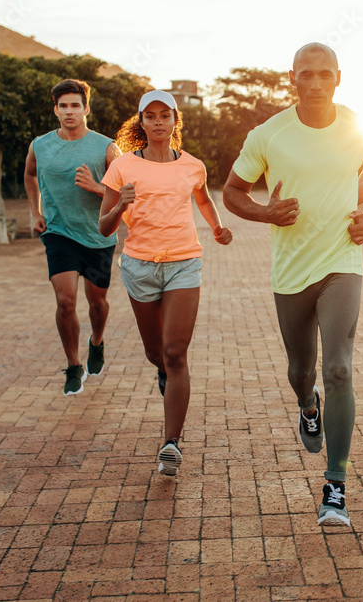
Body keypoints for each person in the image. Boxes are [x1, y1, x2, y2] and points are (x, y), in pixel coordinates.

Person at [222, 43, 363, 527]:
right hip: (291, 272)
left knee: (339, 369)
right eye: (306, 75)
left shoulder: (357, 127)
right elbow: (232, 192)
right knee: (302, 370)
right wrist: (265, 212)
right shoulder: (268, 134)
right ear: (292, 78)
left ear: (339, 77)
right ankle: (307, 404)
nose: (316, 83)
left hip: (342, 263)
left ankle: (335, 485)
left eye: (324, 74)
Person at [99, 90, 233, 476]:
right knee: (156, 353)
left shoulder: (192, 166)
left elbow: (204, 200)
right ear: (141, 122)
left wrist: (217, 227)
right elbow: (104, 225)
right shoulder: (123, 167)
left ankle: (170, 443)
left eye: (165, 115)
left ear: (176, 121)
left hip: (183, 264)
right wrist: (121, 205)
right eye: (150, 115)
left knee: (176, 353)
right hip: (139, 267)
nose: (158, 121)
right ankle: (161, 370)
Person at [24, 79, 121, 396]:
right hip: (59, 234)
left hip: (98, 236)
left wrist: (96, 187)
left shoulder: (106, 147)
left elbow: (127, 192)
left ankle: (97, 341)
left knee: (97, 303)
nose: (69, 111)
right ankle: (73, 365)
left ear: (86, 109)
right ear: (55, 109)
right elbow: (29, 173)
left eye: (75, 105)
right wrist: (36, 212)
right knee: (65, 302)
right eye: (63, 105)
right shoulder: (40, 145)